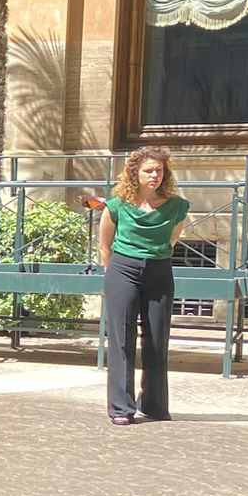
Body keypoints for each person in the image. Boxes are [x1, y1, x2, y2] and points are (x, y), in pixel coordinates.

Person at [99, 148, 190, 426]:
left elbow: (173, 238)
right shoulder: (117, 205)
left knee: (157, 338)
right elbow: (104, 245)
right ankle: (121, 408)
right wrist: (116, 268)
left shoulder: (177, 206)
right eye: (148, 170)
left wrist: (154, 256)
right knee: (121, 338)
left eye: (159, 170)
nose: (154, 175)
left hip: (159, 270)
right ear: (134, 173)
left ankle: (154, 404)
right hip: (123, 269)